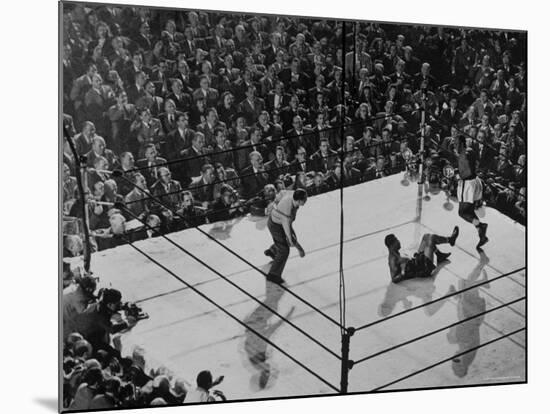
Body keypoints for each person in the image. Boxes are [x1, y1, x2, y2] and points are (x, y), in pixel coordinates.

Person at [384, 226, 459, 283]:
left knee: (426, 236)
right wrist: (404, 274)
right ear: (392, 245)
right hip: (423, 268)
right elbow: (394, 279)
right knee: (431, 239)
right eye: (396, 241)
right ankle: (450, 240)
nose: (399, 241)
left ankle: (439, 255)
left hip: (417, 262)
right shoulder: (392, 260)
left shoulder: (394, 252)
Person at [264, 188, 308, 284]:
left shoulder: (292, 194)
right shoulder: (287, 210)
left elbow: (282, 192)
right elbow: (288, 231)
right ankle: (273, 275)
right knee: (284, 250)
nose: (306, 200)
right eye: (305, 199)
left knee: (282, 242)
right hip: (276, 225)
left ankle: (273, 251)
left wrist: (274, 203)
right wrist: (296, 246)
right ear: (299, 200)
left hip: (277, 221)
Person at [455, 135, 488, 249]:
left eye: (456, 143)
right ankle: (481, 234)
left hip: (468, 184)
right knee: (469, 211)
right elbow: (475, 165)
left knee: (462, 212)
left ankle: (481, 226)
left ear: (462, 143)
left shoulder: (463, 155)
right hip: (475, 181)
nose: (455, 145)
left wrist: (458, 175)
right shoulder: (470, 150)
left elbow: (467, 172)